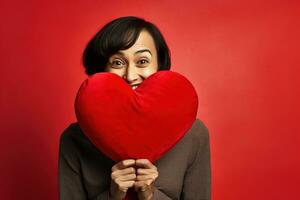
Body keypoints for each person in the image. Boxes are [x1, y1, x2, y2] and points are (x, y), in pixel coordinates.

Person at [58, 16, 211, 200]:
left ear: (160, 66)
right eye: (117, 63)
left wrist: (150, 195)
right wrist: (112, 195)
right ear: (101, 70)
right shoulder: (74, 139)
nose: (130, 76)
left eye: (142, 61)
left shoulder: (193, 134)